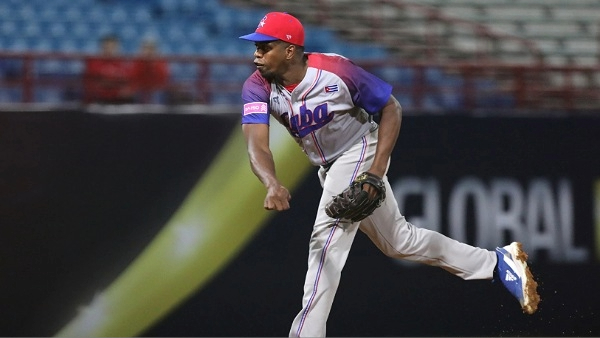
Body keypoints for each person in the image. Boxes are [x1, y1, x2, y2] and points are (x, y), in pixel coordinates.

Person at [238, 12, 540, 337]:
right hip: (330, 166)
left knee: (325, 239)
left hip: (360, 149)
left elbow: (391, 107)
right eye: (256, 47)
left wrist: (375, 172)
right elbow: (258, 145)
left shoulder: (335, 70)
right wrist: (271, 182)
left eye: (264, 47)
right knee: (399, 242)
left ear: (289, 50)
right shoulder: (257, 86)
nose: (256, 54)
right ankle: (499, 263)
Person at [83, 34, 134, 104]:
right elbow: (91, 82)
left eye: (113, 47)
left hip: (120, 99)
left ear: (118, 48)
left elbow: (129, 82)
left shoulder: (125, 63)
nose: (110, 50)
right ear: (101, 47)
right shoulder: (93, 62)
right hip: (99, 99)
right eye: (107, 47)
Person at [130, 39, 170, 103]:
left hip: (156, 89)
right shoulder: (138, 61)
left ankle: (157, 111)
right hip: (141, 88)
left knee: (158, 93)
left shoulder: (161, 60)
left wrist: (153, 65)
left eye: (152, 48)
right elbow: (134, 76)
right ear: (142, 49)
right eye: (146, 48)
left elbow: (163, 76)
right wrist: (146, 64)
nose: (149, 51)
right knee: (137, 92)